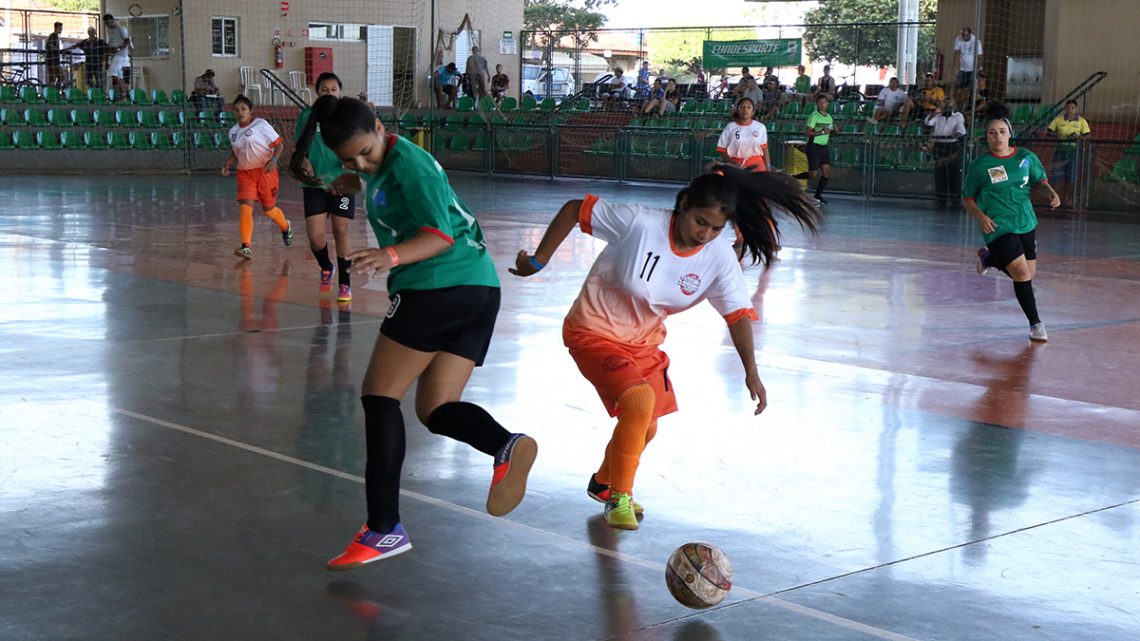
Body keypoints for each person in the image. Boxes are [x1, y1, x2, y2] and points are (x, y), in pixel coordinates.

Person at [292, 96, 537, 569]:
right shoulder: (377, 166)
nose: (361, 163)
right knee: (436, 408)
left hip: (437, 286)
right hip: (477, 290)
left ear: (381, 126)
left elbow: (439, 234)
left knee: (379, 395)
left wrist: (390, 256)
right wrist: (342, 173)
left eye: (365, 151)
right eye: (350, 159)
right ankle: (505, 445)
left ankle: (384, 527)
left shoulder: (412, 164)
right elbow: (321, 170)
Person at [508, 165, 821, 529]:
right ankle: (619, 499)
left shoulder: (718, 255)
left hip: (643, 343)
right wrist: (537, 261)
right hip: (593, 331)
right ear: (683, 205)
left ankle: (604, 482)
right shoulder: (639, 224)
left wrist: (752, 371)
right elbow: (575, 209)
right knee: (638, 402)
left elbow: (737, 314)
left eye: (715, 228)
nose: (704, 234)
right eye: (699, 222)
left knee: (646, 425)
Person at [963, 103, 1060, 343]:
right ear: (986, 137)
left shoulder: (1026, 158)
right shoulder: (980, 166)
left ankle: (990, 258)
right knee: (1020, 272)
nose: (998, 136)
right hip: (997, 226)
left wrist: (1050, 193)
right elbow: (967, 198)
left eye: (1002, 131)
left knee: (1029, 274)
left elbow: (1039, 181)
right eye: (992, 132)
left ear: (1010, 133)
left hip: (1025, 221)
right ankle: (1036, 324)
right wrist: (980, 216)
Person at [288, 72, 356, 302]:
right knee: (315, 237)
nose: (330, 93)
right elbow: (301, 145)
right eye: (325, 89)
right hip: (315, 184)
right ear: (317, 92)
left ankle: (345, 284)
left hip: (344, 181)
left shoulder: (348, 116)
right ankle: (326, 266)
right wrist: (304, 160)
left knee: (341, 230)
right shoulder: (308, 116)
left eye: (334, 89)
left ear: (340, 91)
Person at [221, 95, 293, 259]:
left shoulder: (261, 125)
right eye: (237, 110)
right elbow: (236, 150)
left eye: (243, 109)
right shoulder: (233, 131)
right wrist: (228, 163)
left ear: (251, 111)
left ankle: (285, 226)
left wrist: (274, 160)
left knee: (268, 210)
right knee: (246, 206)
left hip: (265, 171)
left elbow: (279, 145)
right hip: (245, 173)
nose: (240, 113)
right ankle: (246, 245)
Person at [1046, 99, 1091, 208]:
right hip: (1060, 151)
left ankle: (1068, 199)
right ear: (1065, 109)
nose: (1070, 110)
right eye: (1068, 108)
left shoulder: (1081, 121)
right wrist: (1057, 136)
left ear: (1076, 109)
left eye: (1072, 108)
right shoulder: (1058, 120)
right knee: (1056, 176)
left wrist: (1078, 137)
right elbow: (1049, 132)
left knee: (1071, 177)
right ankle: (1054, 199)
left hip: (1073, 152)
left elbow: (1088, 135)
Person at [924, 96, 967, 209]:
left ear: (953, 105)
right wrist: (936, 112)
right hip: (939, 145)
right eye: (945, 104)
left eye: (949, 104)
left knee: (954, 172)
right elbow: (928, 122)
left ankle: (955, 199)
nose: (947, 106)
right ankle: (941, 199)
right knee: (939, 173)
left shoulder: (958, 116)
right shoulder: (938, 116)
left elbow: (960, 129)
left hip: (952, 145)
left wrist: (956, 134)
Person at [717, 97, 769, 172]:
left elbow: (764, 148)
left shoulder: (760, 127)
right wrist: (732, 163)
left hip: (757, 166)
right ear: (737, 110)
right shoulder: (730, 127)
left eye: (749, 107)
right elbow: (721, 149)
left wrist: (768, 167)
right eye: (742, 107)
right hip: (735, 166)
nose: (745, 110)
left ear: (753, 111)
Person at [804, 94, 835, 204]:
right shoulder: (814, 116)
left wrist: (835, 130)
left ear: (827, 104)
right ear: (817, 104)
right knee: (813, 174)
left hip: (824, 147)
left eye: (824, 102)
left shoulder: (829, 117)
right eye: (820, 102)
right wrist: (822, 132)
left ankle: (818, 195)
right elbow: (808, 132)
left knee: (826, 171)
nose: (822, 104)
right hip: (814, 147)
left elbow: (830, 130)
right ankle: (797, 179)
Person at [102, 14, 131, 99]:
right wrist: (107, 57)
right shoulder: (109, 31)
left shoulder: (121, 29)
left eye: (107, 23)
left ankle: (124, 92)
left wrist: (118, 49)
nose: (106, 25)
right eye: (105, 23)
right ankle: (127, 93)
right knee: (119, 75)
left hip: (121, 55)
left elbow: (127, 41)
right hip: (114, 55)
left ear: (112, 21)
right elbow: (111, 43)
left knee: (112, 72)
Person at [954, 27, 983, 91]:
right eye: (963, 36)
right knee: (960, 87)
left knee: (972, 88)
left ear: (970, 34)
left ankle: (971, 100)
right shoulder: (958, 39)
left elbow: (980, 56)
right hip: (962, 68)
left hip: (973, 68)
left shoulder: (976, 41)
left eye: (966, 36)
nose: (964, 37)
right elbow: (956, 54)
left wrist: (979, 68)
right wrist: (956, 68)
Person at [45, 22, 65, 89]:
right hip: (53, 61)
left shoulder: (53, 36)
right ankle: (56, 91)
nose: (61, 30)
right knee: (61, 77)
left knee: (52, 78)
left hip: (51, 61)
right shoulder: (53, 36)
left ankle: (50, 92)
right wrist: (58, 50)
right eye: (60, 28)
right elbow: (50, 45)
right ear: (56, 28)